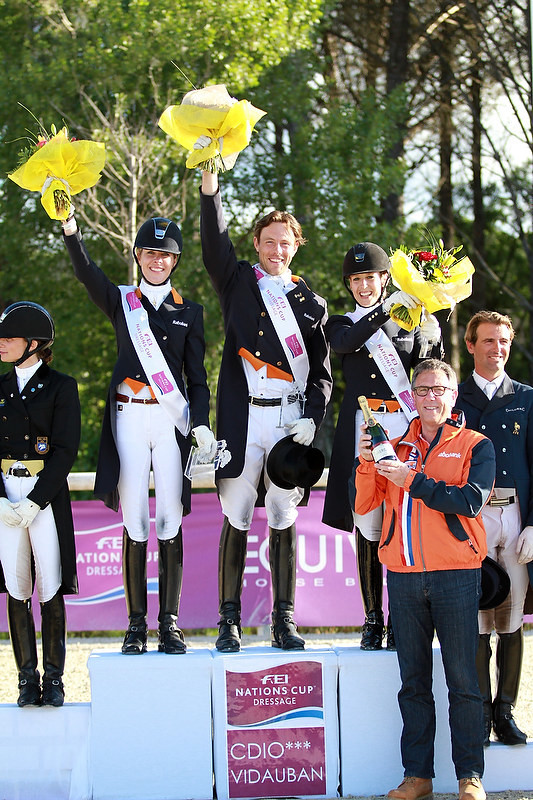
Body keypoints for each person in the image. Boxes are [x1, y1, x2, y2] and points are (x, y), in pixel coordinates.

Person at [62, 211, 214, 656]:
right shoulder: (122, 301)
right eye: (150, 252)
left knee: (169, 517)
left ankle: (169, 624)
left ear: (175, 261)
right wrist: (72, 227)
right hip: (129, 416)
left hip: (169, 422)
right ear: (137, 256)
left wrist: (201, 423)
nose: (157, 261)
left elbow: (197, 377)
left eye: (165, 255)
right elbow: (86, 273)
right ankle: (135, 625)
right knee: (134, 519)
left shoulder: (190, 313)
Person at [200, 168, 332, 652]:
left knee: (282, 514)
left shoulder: (310, 302)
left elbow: (321, 372)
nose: (278, 250)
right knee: (236, 512)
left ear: (296, 247)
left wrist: (312, 418)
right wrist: (210, 189)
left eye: (286, 243)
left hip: (288, 420)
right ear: (256, 243)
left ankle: (284, 619)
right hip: (244, 416)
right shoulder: (236, 281)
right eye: (270, 241)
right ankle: (228, 621)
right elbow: (214, 243)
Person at [354, 359, 495, 800]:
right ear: (411, 396)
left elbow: (470, 502)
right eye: (422, 390)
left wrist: (413, 480)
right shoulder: (392, 447)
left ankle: (470, 776)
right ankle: (418, 776)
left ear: (454, 395)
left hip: (456, 574)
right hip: (404, 576)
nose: (430, 397)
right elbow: (363, 505)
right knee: (413, 683)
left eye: (439, 389)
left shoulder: (476, 444)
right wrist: (364, 463)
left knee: (463, 682)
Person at [322, 242, 443, 650]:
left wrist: (431, 317)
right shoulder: (341, 321)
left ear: (384, 278)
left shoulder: (409, 321)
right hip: (365, 425)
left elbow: (429, 366)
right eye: (356, 280)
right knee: (368, 522)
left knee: (404, 517)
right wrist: (387, 308)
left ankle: (400, 617)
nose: (362, 285)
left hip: (404, 423)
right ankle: (372, 617)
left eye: (370, 277)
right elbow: (346, 342)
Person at [456, 310, 533, 746]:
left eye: (503, 341)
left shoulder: (527, 397)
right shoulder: (454, 397)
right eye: (488, 341)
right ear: (471, 345)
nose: (497, 349)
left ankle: (505, 713)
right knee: (478, 617)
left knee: (513, 617)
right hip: (472, 516)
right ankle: (480, 714)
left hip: (515, 513)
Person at [0, 302, 80, 706]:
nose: (1, 344)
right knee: (16, 588)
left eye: (8, 338)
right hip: (4, 495)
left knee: (49, 585)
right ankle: (26, 680)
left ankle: (54, 679)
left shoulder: (61, 387)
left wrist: (34, 500)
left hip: (43, 495)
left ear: (33, 344)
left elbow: (65, 451)